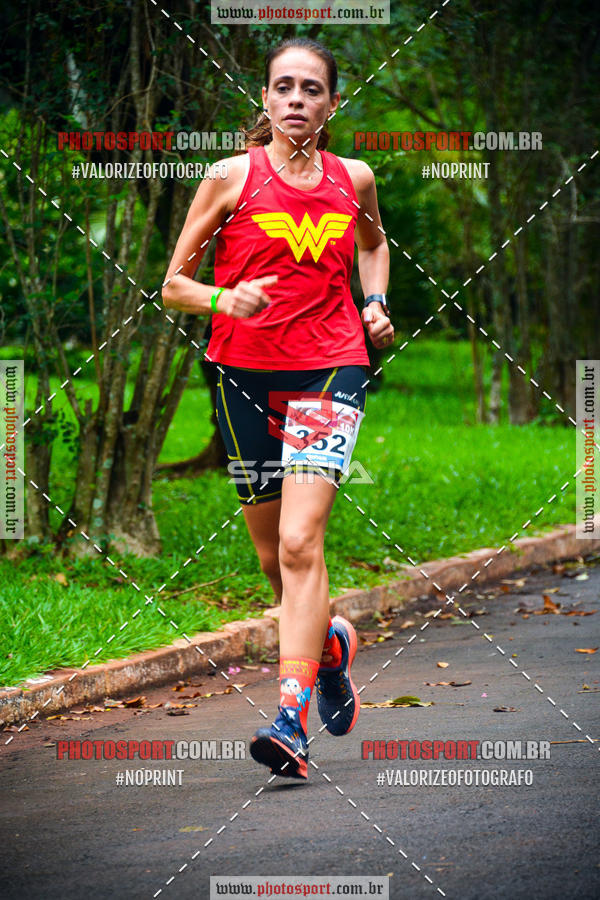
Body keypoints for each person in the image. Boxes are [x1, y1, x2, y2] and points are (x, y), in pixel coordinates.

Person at [162, 37, 393, 781]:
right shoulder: (230, 177)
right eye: (283, 86)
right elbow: (173, 285)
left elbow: (374, 245)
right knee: (275, 559)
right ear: (265, 99)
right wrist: (222, 296)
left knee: (301, 542)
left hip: (330, 369)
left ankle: (288, 716)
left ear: (332, 103)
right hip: (242, 377)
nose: (296, 98)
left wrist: (376, 302)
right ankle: (328, 650)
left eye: (311, 88)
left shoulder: (354, 177)